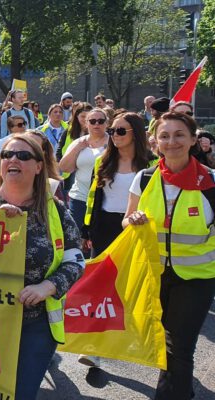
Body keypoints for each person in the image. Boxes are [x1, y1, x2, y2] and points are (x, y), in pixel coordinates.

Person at [0, 134, 84, 400]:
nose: (13, 159)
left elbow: (76, 259)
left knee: (21, 393)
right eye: (7, 155)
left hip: (34, 324)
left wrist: (48, 286)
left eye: (23, 155)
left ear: (38, 166)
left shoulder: (55, 209)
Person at [124, 112, 215, 400]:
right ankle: (181, 391)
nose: (171, 141)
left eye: (179, 135)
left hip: (197, 278)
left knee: (180, 346)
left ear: (193, 140)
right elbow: (126, 220)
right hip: (153, 275)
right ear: (155, 142)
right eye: (164, 136)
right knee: (164, 342)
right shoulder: (144, 178)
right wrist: (133, 220)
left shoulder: (211, 181)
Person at [85, 112, 155, 257]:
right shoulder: (102, 161)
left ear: (135, 133)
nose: (115, 135)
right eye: (111, 131)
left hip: (137, 225)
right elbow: (93, 199)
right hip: (104, 226)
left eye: (121, 131)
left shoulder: (153, 163)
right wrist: (87, 229)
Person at [60, 108, 110, 239]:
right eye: (92, 121)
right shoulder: (79, 142)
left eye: (100, 121)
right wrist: (78, 148)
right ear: (86, 124)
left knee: (99, 239)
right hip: (79, 198)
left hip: (105, 199)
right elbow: (65, 168)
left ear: (107, 123)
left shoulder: (113, 142)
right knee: (77, 237)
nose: (96, 124)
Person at [56, 102, 93, 197]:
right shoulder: (68, 131)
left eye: (88, 117)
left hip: (88, 170)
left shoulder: (95, 133)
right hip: (69, 171)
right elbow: (59, 151)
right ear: (76, 117)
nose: (85, 119)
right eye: (83, 116)